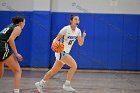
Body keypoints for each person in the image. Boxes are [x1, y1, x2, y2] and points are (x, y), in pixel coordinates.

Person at [35, 15, 86, 93]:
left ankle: (40, 83)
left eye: (78, 20)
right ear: (71, 21)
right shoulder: (66, 29)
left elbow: (80, 43)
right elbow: (56, 39)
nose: (77, 21)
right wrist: (54, 45)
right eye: (75, 19)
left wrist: (83, 37)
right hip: (61, 51)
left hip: (66, 52)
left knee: (53, 71)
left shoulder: (78, 31)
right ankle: (67, 85)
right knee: (74, 66)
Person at [0, 16, 25, 93]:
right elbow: (11, 40)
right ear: (21, 22)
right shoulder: (18, 28)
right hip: (2, 47)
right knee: (17, 70)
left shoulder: (10, 26)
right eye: (24, 22)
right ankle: (16, 91)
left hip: (1, 46)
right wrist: (16, 53)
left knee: (0, 71)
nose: (24, 24)